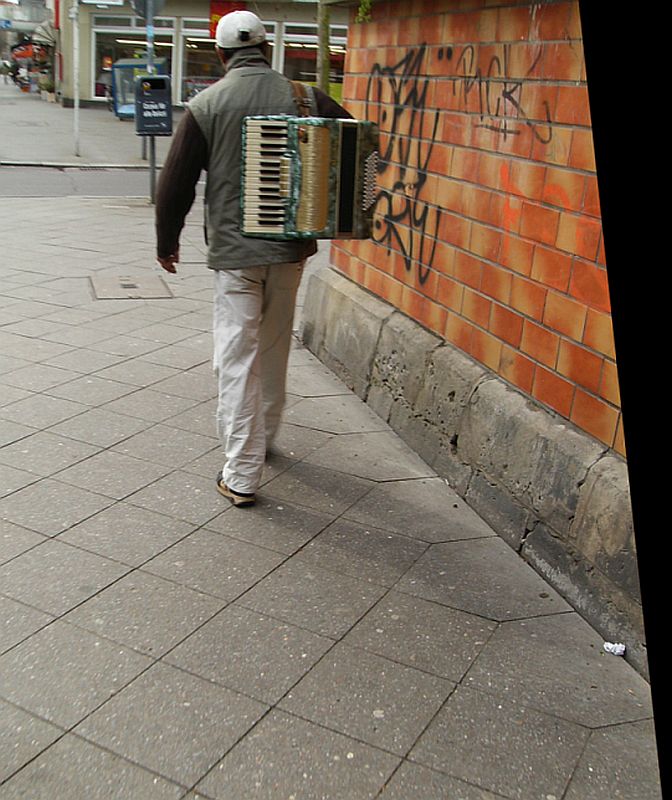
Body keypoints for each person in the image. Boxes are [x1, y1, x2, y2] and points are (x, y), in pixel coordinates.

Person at [155, 9, 351, 508]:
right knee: (273, 346)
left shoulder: (207, 104)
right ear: (267, 49)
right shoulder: (306, 97)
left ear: (221, 55)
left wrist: (167, 241)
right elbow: (357, 144)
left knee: (236, 357)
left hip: (235, 256)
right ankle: (264, 436)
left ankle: (242, 472)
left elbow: (175, 183)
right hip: (290, 252)